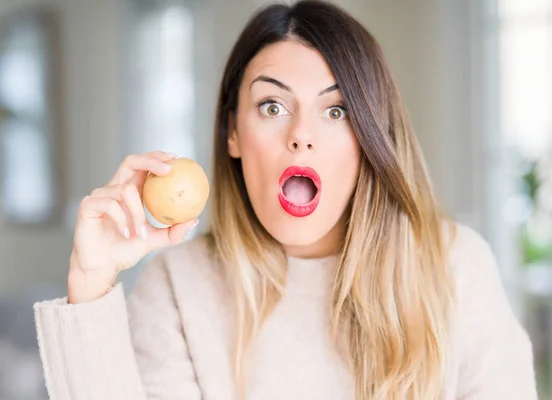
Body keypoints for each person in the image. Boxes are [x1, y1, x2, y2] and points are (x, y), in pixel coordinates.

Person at [33, 1, 537, 399]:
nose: (301, 136)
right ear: (233, 131)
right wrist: (91, 285)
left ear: (372, 137)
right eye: (272, 106)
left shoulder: (454, 266)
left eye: (336, 111)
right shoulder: (177, 288)